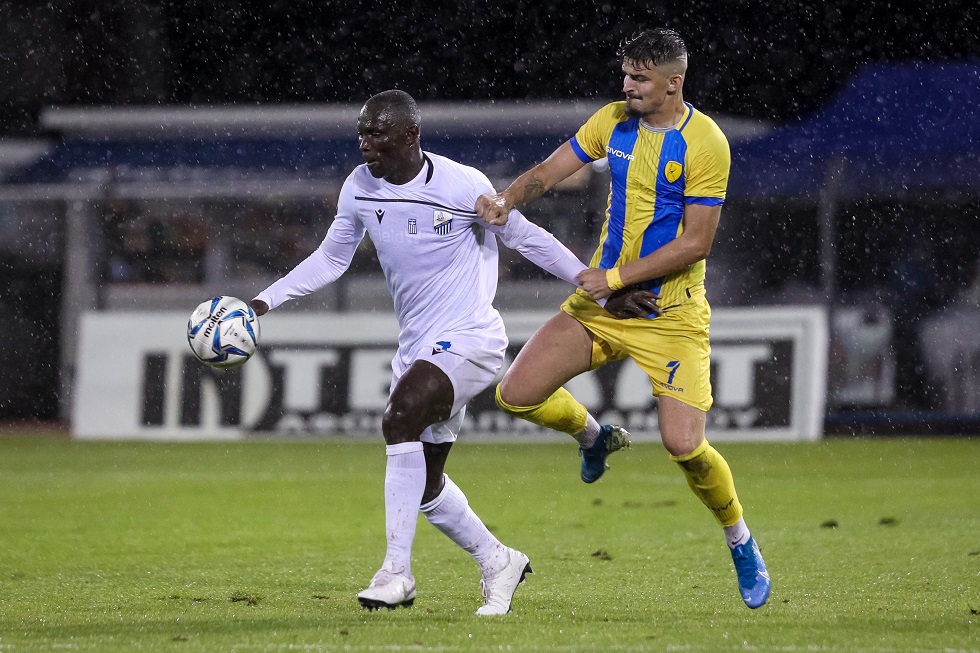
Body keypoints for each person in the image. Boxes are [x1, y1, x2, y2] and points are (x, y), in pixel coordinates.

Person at [247, 90, 648, 615]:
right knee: (426, 483)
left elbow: (527, 239)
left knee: (400, 417)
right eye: (362, 133)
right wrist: (263, 302)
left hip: (471, 337)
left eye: (377, 134)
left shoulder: (462, 185)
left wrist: (598, 286)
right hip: (419, 347)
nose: (366, 144)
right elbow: (331, 258)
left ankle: (396, 572)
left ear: (410, 135)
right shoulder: (360, 187)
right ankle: (499, 561)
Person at [475, 28, 771, 609]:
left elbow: (696, 243)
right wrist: (506, 200)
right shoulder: (612, 121)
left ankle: (739, 537)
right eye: (626, 75)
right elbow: (549, 171)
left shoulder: (706, 142)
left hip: (670, 313)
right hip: (604, 308)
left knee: (684, 447)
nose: (628, 85)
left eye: (640, 77)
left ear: (673, 82)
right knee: (516, 394)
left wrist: (612, 279)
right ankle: (595, 437)